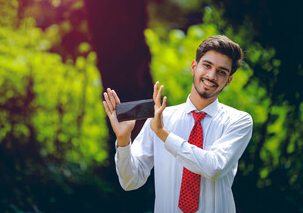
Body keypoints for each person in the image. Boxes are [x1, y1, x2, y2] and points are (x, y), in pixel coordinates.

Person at [103, 35, 253, 213]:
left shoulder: (238, 121)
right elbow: (130, 181)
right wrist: (123, 139)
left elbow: (215, 167)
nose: (211, 75)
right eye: (207, 65)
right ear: (194, 67)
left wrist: (164, 135)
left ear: (228, 80)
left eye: (221, 72)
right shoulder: (160, 118)